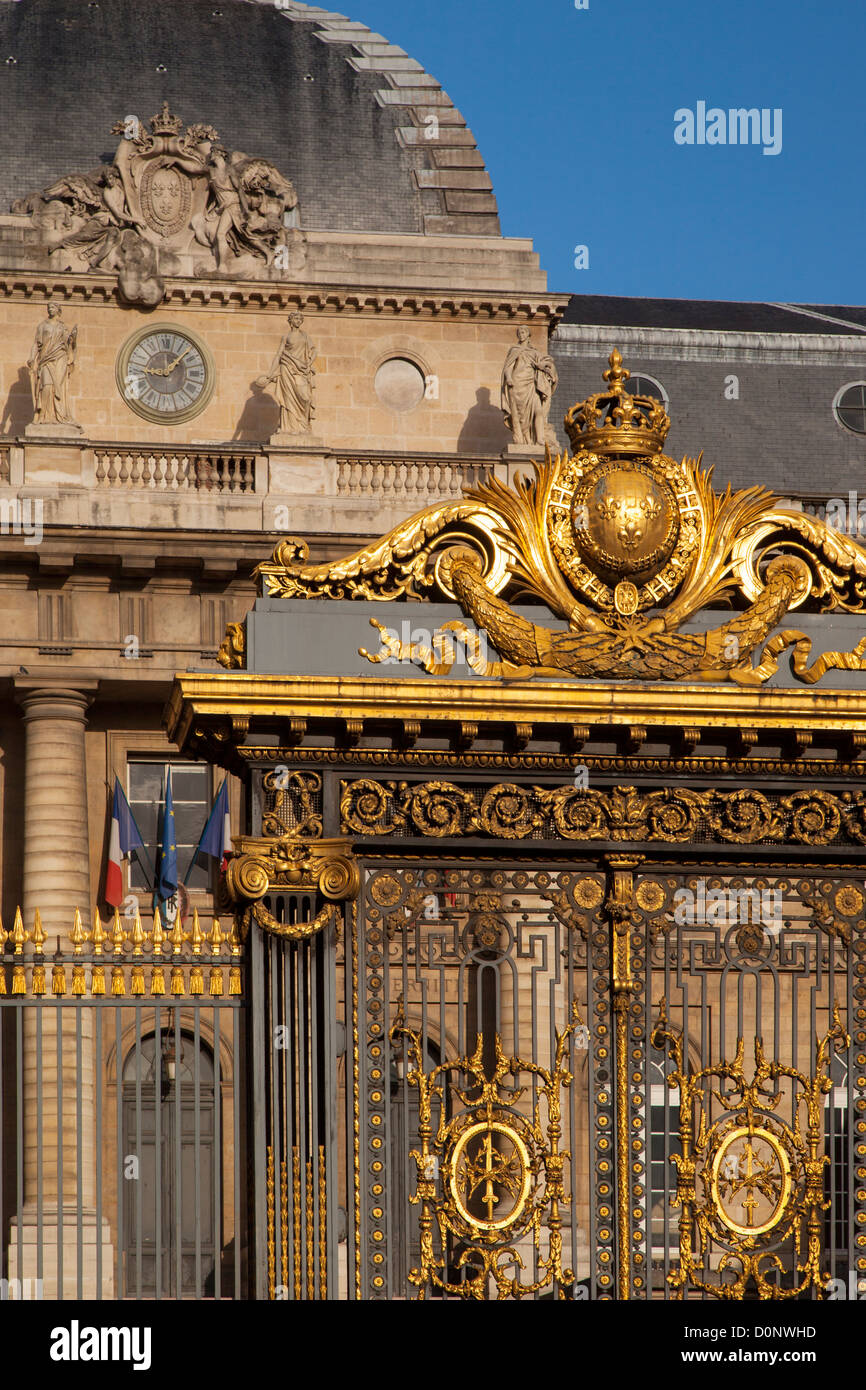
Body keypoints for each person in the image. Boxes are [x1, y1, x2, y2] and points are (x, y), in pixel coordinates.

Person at [256, 313, 317, 434]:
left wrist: (309, 364)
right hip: (286, 369)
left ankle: (303, 426)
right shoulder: (286, 337)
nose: (298, 321)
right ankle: (289, 427)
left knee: (305, 397)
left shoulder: (305, 336)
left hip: (302, 370)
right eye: (296, 318)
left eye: (300, 319)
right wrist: (270, 373)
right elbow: (279, 354)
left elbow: (314, 351)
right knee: (288, 397)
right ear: (290, 320)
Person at [500, 327, 557, 446]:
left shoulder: (535, 352)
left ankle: (540, 439)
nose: (521, 335)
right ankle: (522, 438)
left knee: (538, 411)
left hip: (531, 384)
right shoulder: (514, 350)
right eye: (519, 333)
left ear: (528, 335)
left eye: (523, 332)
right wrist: (509, 378)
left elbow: (548, 364)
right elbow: (508, 368)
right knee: (520, 415)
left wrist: (543, 366)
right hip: (518, 383)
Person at [28, 301, 78, 424]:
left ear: (58, 310)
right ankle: (42, 415)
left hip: (60, 357)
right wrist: (31, 357)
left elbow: (69, 344)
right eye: (48, 307)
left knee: (58, 386)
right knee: (47, 385)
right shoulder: (42, 326)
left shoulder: (62, 327)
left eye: (52, 307)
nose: (50, 309)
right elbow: (36, 343)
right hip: (46, 359)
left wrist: (73, 338)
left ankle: (60, 415)